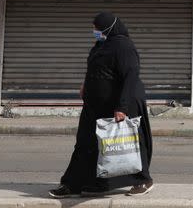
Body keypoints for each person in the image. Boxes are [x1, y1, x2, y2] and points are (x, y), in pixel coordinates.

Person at [49, 12, 154, 198]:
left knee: (129, 144)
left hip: (119, 104)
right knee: (85, 143)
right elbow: (95, 68)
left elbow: (130, 77)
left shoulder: (124, 46)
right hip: (95, 106)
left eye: (97, 27)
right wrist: (86, 85)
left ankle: (143, 180)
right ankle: (73, 184)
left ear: (109, 27)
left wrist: (122, 107)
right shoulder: (101, 45)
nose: (95, 31)